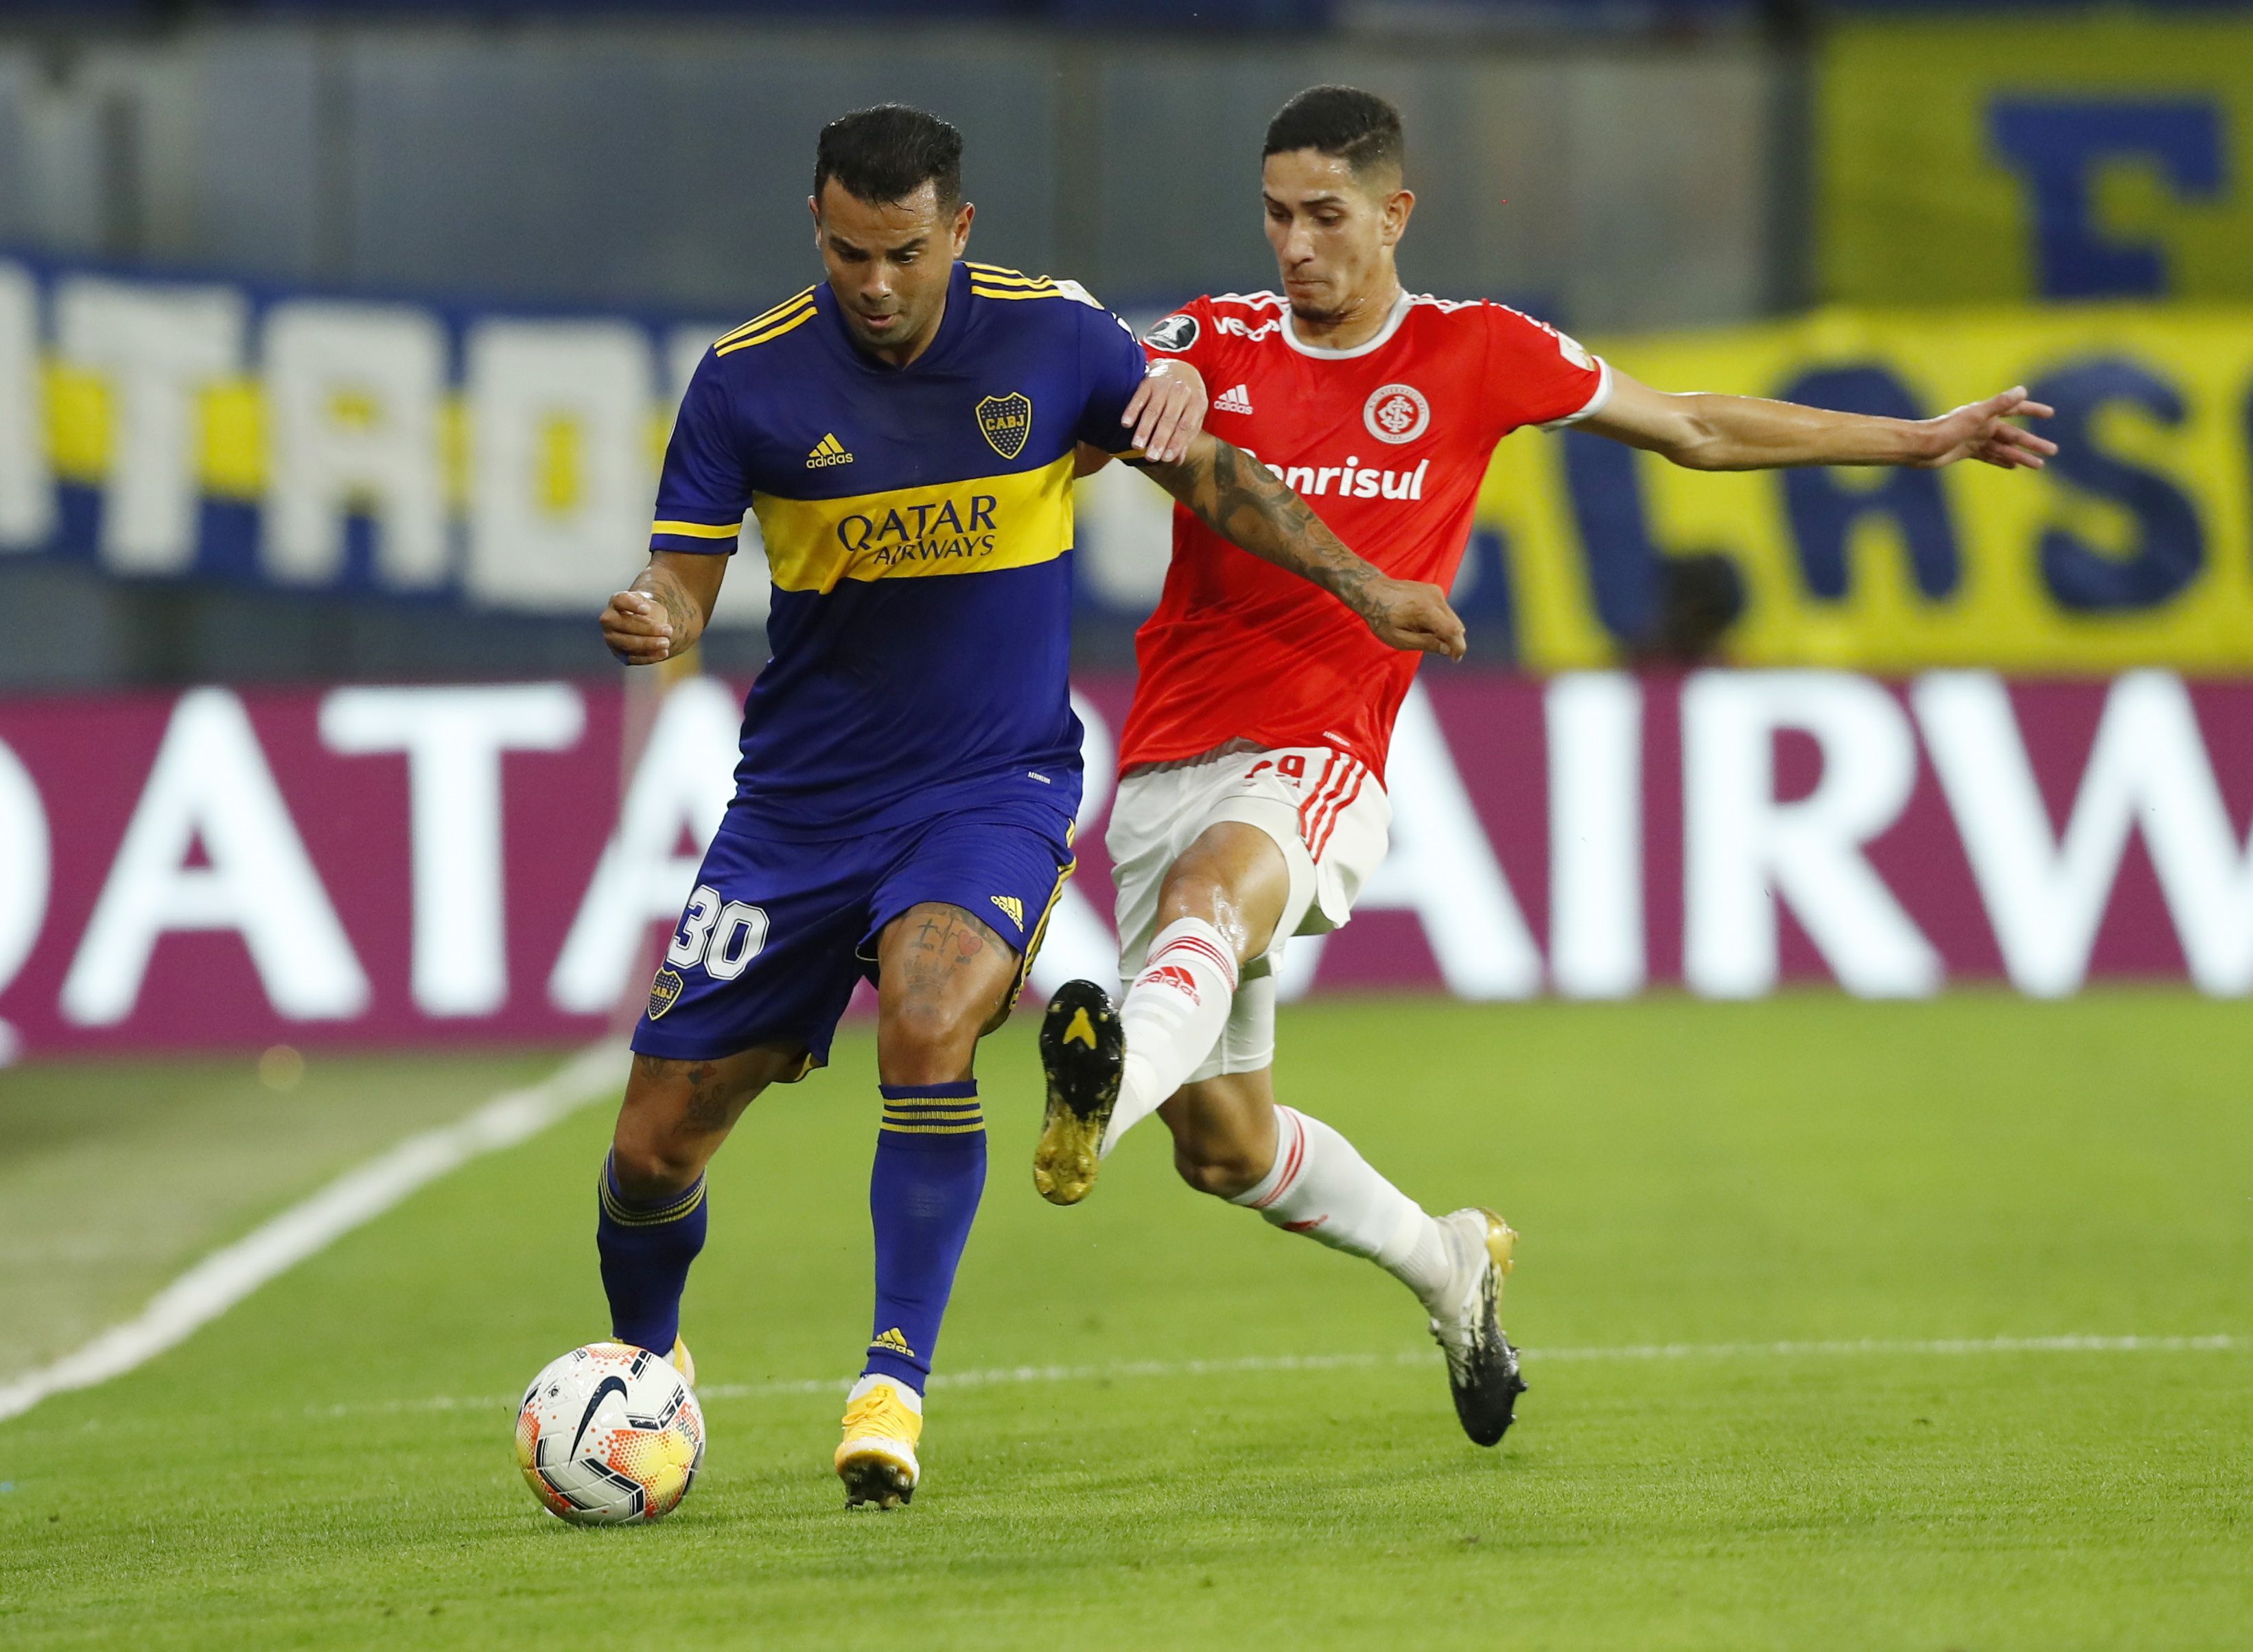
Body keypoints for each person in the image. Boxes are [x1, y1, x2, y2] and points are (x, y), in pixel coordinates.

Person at [1036, 84, 2057, 1448]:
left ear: (1395, 214)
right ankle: (1447, 1261)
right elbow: (1094, 363)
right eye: (1276, 214)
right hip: (1163, 760)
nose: (1296, 244)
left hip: (1314, 753)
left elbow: (1692, 424)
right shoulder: (1214, 337)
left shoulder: (1480, 352)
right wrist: (1143, 372)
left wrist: (1914, 437)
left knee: (1227, 888)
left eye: (1325, 216)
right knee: (1225, 1147)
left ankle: (1092, 1096)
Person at [593, 103, 1462, 1509]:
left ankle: (892, 1385)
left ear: (959, 230)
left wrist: (1364, 584)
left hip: (989, 783)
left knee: (934, 1018)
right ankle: (643, 1370)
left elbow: (1212, 474)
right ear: (814, 230)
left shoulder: (1051, 340)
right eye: (843, 252)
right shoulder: (744, 382)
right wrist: (654, 612)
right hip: (800, 807)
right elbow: (682, 576)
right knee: (655, 1145)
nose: (872, 282)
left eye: (902, 251)